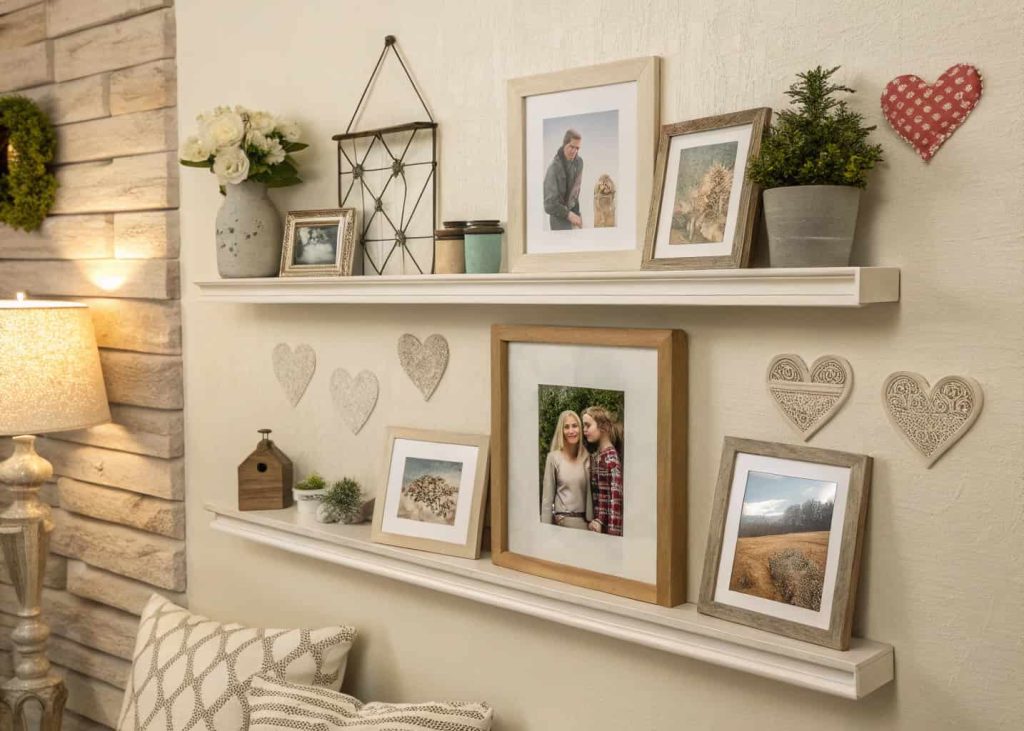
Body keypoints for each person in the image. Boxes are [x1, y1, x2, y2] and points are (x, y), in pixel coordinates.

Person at [540, 410, 592, 530]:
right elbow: (547, 502)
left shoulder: (588, 458)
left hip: (585, 527)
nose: (571, 431)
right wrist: (545, 532)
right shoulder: (553, 458)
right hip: (561, 525)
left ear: (580, 429)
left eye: (575, 426)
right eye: (566, 427)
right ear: (561, 431)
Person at [582, 406, 623, 536]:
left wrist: (610, 535)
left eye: (588, 425)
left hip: (607, 534)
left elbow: (615, 501)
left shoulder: (611, 458)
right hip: (596, 529)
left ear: (603, 427)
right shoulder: (597, 456)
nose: (584, 430)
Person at [543, 129, 584, 231]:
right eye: (571, 146)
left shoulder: (579, 163)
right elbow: (549, 205)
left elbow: (576, 192)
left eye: (577, 148)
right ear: (564, 144)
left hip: (574, 218)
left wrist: (577, 214)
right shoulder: (553, 168)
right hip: (558, 221)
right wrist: (569, 215)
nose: (574, 151)